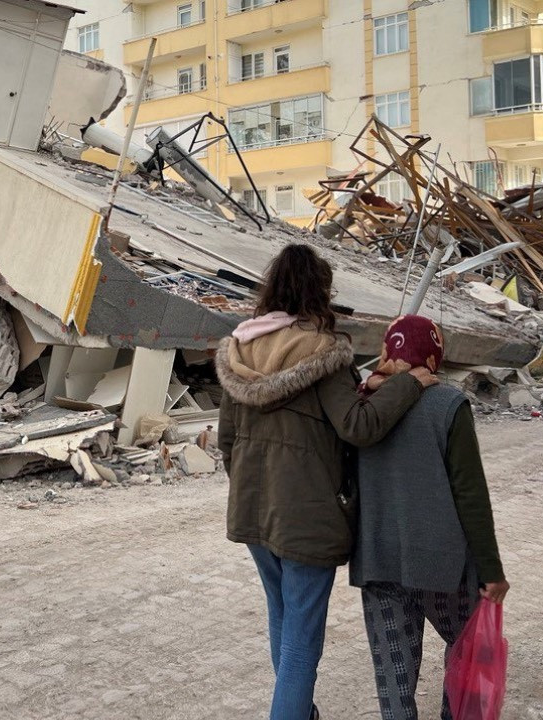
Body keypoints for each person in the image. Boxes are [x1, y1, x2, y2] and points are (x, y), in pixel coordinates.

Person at [216, 244, 437, 720]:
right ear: (320, 291)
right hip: (306, 517)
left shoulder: (239, 348)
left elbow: (228, 441)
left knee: (283, 617)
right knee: (301, 641)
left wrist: (258, 488)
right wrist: (410, 382)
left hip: (254, 510)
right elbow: (358, 427)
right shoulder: (325, 354)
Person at [350, 314, 509, 720]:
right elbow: (469, 492)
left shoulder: (361, 406)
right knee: (466, 651)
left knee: (394, 683)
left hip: (377, 559)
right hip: (441, 564)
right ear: (434, 355)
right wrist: (490, 568)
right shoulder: (448, 404)